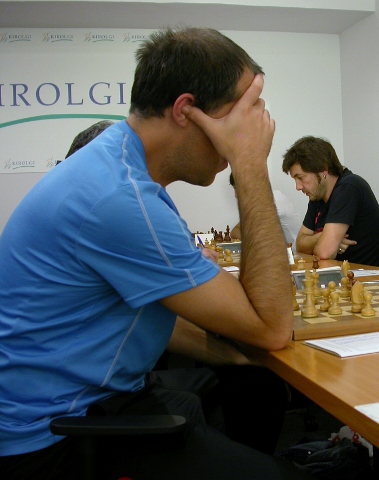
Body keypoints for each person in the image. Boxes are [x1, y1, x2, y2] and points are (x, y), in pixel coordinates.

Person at [0, 27, 313, 480]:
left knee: (250, 380)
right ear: (185, 110)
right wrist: (250, 163)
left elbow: (151, 310)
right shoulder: (118, 198)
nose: (249, 132)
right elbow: (272, 327)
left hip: (89, 400)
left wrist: (236, 357)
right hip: (51, 438)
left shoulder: (120, 167)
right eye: (239, 117)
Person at [282, 135, 379, 267]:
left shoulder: (349, 187)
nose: (298, 187)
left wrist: (321, 242)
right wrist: (322, 237)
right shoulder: (317, 196)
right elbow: (300, 245)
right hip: (340, 273)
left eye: (301, 178)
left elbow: (324, 252)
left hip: (366, 276)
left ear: (323, 170)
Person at [228, 172, 301, 250]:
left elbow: (260, 239)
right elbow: (235, 232)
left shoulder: (274, 200)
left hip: (296, 254)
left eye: (237, 188)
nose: (235, 195)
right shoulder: (258, 203)